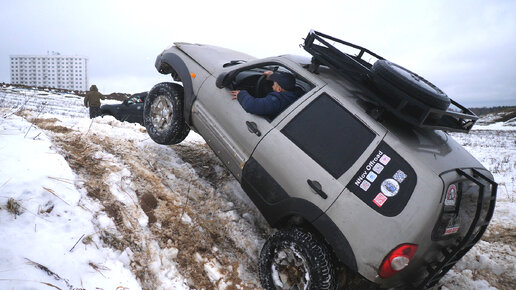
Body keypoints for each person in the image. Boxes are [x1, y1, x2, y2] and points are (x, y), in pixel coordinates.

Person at [231, 71, 301, 117]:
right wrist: (272, 76)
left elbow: (251, 105)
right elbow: (285, 80)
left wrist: (241, 94)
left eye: (274, 84)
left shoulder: (277, 101)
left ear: (279, 89)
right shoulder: (297, 93)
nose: (272, 86)